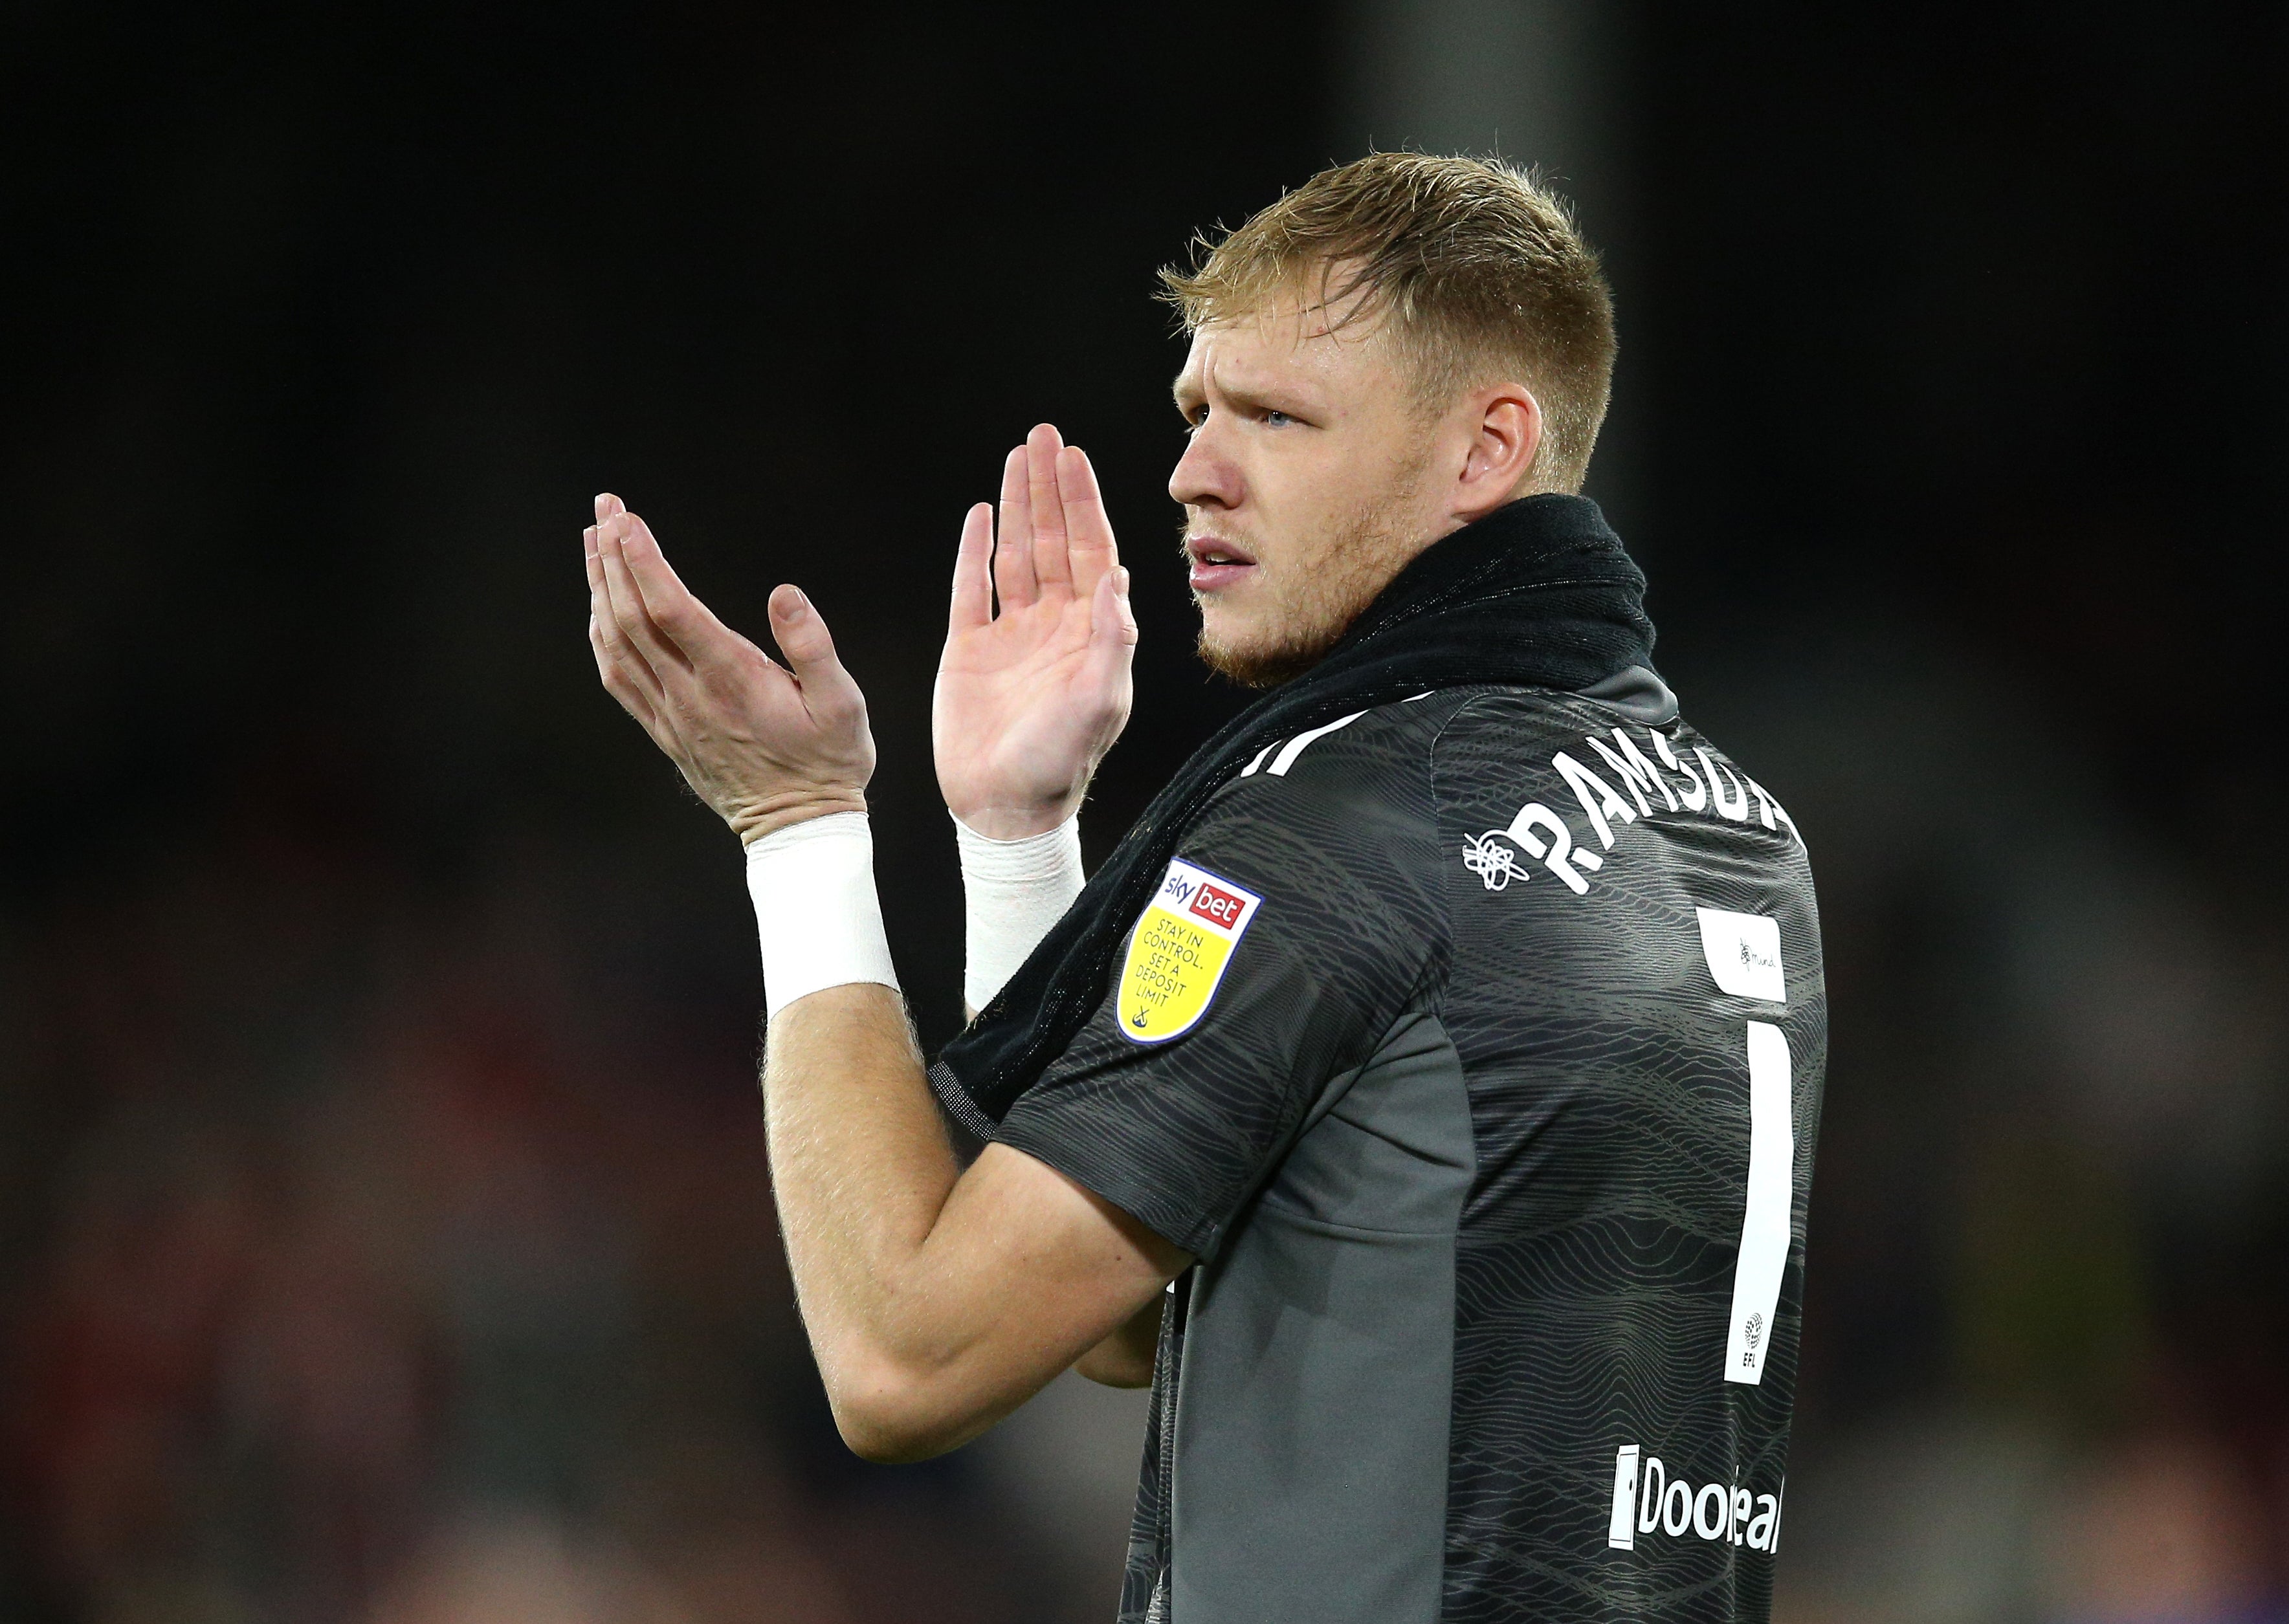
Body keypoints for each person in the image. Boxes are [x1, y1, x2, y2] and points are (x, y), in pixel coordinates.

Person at [582, 152, 1826, 1624]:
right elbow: (1106, 1306)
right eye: (1196, 415)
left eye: (1277, 419)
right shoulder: (1735, 829)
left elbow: (903, 1359)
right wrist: (1019, 842)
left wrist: (792, 825)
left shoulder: (1355, 830)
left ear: (1485, 450)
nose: (1191, 474)